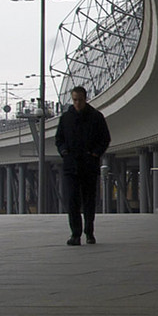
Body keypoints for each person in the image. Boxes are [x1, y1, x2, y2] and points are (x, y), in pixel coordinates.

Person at [55, 86, 111, 246]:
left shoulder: (96, 117)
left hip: (89, 166)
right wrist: (64, 151)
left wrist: (95, 154)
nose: (77, 103)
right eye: (74, 100)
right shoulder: (66, 118)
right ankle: (75, 234)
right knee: (72, 200)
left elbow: (105, 139)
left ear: (85, 99)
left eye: (80, 100)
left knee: (89, 201)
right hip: (71, 166)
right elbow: (59, 139)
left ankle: (89, 232)